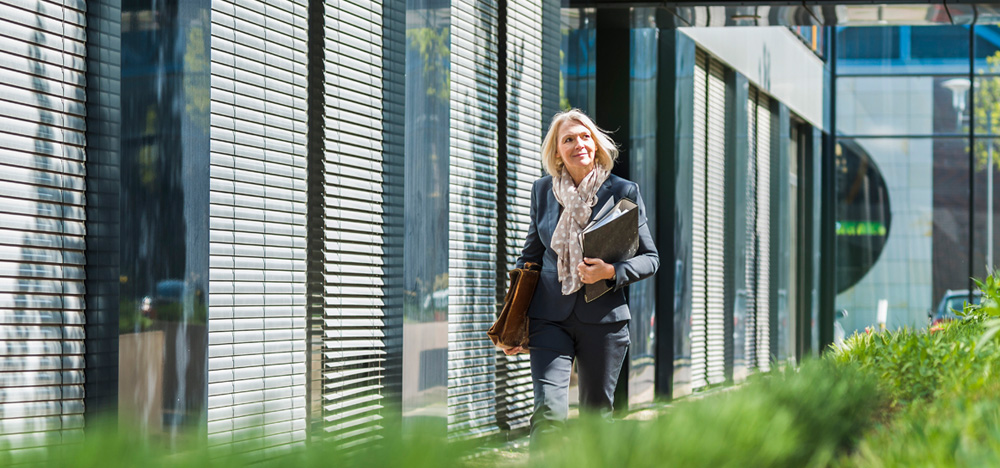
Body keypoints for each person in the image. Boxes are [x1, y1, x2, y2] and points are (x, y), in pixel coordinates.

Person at [508, 109, 659, 445]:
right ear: (557, 152)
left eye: (585, 136)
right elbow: (530, 258)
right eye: (568, 139)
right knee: (547, 414)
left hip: (604, 322)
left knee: (595, 420)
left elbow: (651, 259)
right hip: (549, 318)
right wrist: (515, 318)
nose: (579, 144)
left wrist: (612, 272)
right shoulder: (543, 192)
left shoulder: (623, 191)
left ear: (596, 143)